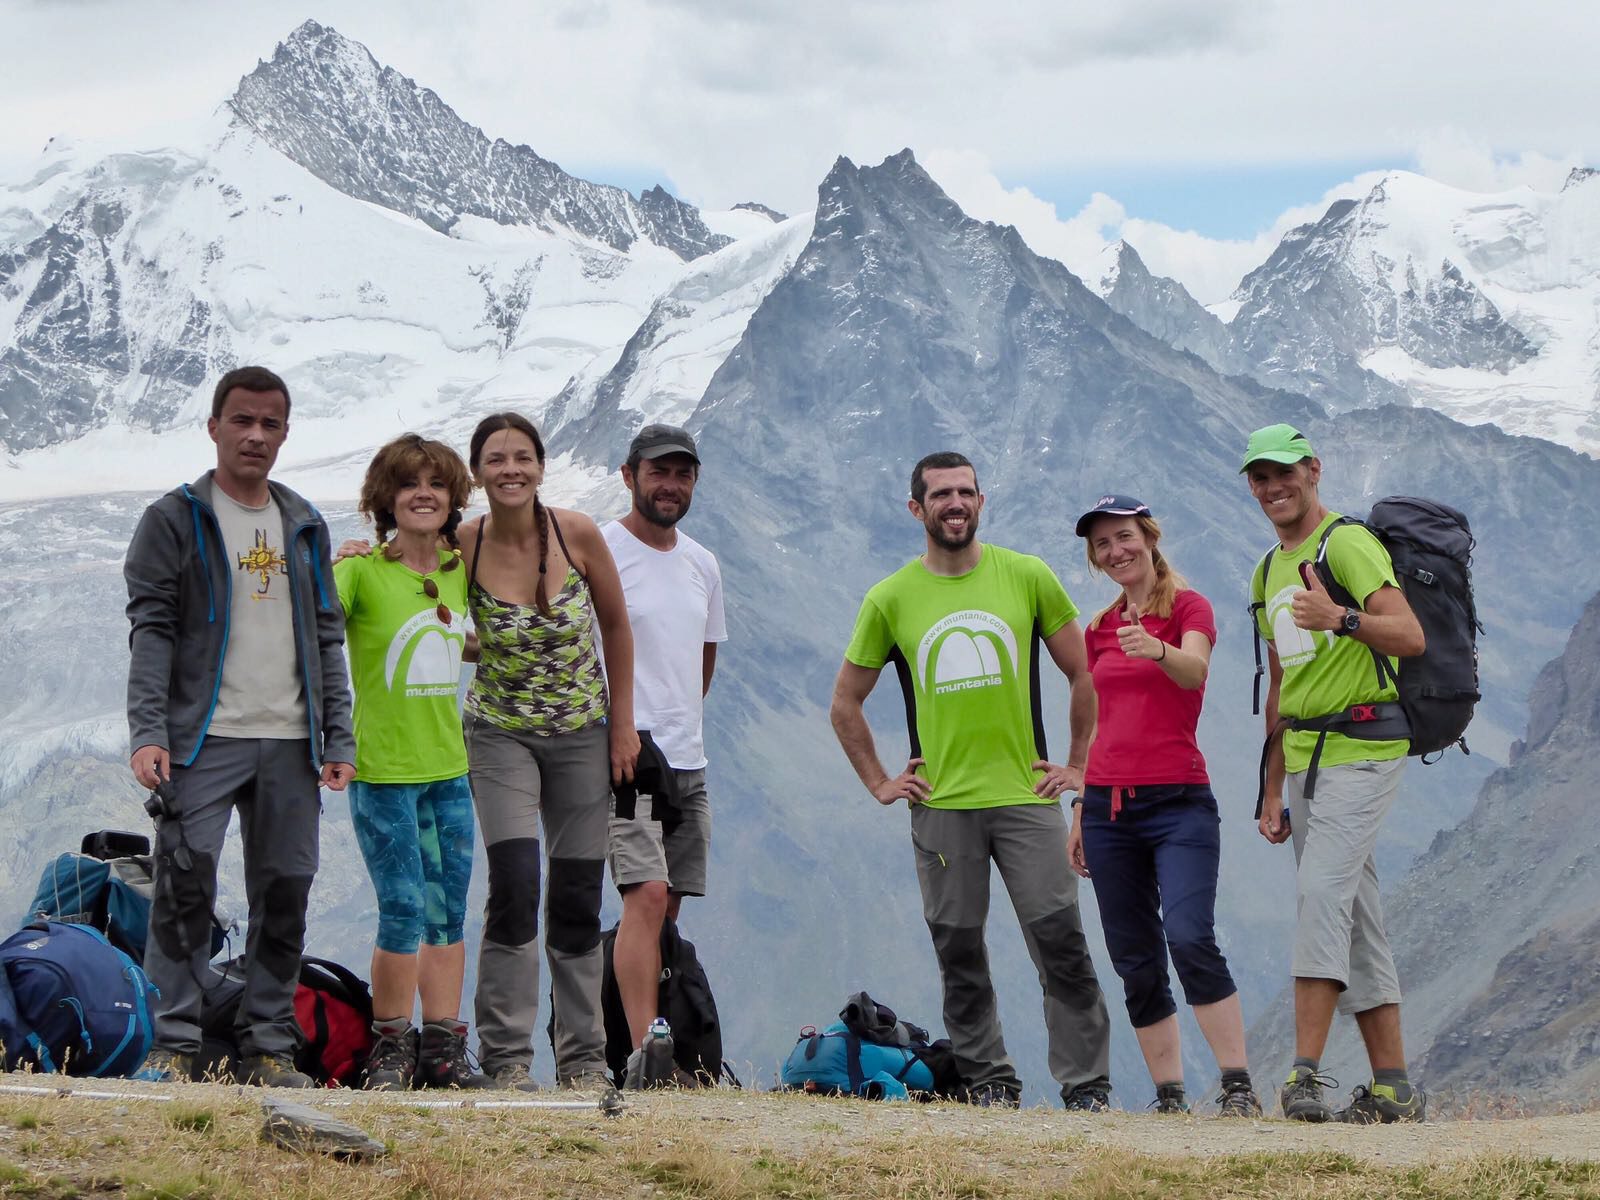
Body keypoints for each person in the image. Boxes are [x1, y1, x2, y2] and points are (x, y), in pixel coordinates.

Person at [830, 451, 1113, 1110]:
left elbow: (1083, 673)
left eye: (965, 492)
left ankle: (1088, 1089)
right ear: (916, 508)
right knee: (960, 956)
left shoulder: (1027, 577)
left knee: (1062, 947)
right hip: (942, 808)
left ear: (980, 502)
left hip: (1025, 798)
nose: (954, 504)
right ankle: (989, 1085)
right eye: (940, 495)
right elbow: (845, 703)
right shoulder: (891, 598)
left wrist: (1077, 765)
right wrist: (879, 780)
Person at [124, 365, 355, 1087]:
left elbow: (326, 636)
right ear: (215, 426)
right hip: (202, 742)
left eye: (271, 423)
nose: (256, 435)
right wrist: (149, 731)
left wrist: (337, 736)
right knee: (183, 890)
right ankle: (173, 1044)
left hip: (291, 742)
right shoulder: (173, 519)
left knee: (284, 891)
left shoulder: (303, 522)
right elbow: (152, 631)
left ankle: (268, 1047)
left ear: (285, 433)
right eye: (243, 420)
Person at [1244, 423, 1427, 1124]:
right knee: (1355, 918)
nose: (1272, 488)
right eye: (1260, 477)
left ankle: (1306, 1077)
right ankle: (1394, 1088)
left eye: (1284, 472)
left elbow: (1409, 635)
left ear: (1313, 470)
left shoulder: (1345, 543)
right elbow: (1283, 684)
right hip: (1304, 759)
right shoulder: (1265, 569)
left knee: (1321, 894)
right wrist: (1269, 787)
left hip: (1366, 743)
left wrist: (1341, 617)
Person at [1064, 495, 1262, 1116]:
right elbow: (1101, 723)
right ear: (1096, 559)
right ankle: (1169, 1096)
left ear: (1148, 538)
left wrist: (1157, 650)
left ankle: (1237, 1087)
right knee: (1135, 957)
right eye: (1103, 545)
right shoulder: (1098, 629)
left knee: (1190, 935)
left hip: (1180, 803)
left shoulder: (1188, 607)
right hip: (1107, 811)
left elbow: (1194, 671)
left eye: (1124, 538)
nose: (1116, 551)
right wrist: (1080, 808)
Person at [459, 412, 639, 1092]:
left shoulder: (578, 532)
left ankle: (584, 1059)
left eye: (523, 457)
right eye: (497, 459)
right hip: (499, 734)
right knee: (513, 885)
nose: (511, 470)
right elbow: (411, 588)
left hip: (583, 735)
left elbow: (617, 626)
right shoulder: (463, 544)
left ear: (541, 465)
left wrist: (623, 726)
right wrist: (364, 551)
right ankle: (505, 1059)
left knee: (574, 897)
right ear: (478, 472)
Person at [332, 434, 488, 1090]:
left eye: (436, 483)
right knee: (400, 907)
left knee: (447, 909)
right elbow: (308, 635)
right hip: (383, 773)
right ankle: (391, 1048)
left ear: (453, 498)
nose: (422, 493)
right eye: (407, 484)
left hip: (448, 768)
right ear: (384, 501)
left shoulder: (458, 571)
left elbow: (469, 641)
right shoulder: (362, 572)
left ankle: (444, 1052)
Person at [601, 424, 727, 1086]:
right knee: (645, 894)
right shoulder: (602, 549)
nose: (670, 485)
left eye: (683, 474)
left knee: (670, 905)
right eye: (658, 472)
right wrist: (624, 725)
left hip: (688, 756)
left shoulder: (703, 562)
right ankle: (644, 1050)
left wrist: (680, 721)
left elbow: (702, 659)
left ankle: (666, 1047)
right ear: (629, 476)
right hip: (629, 751)